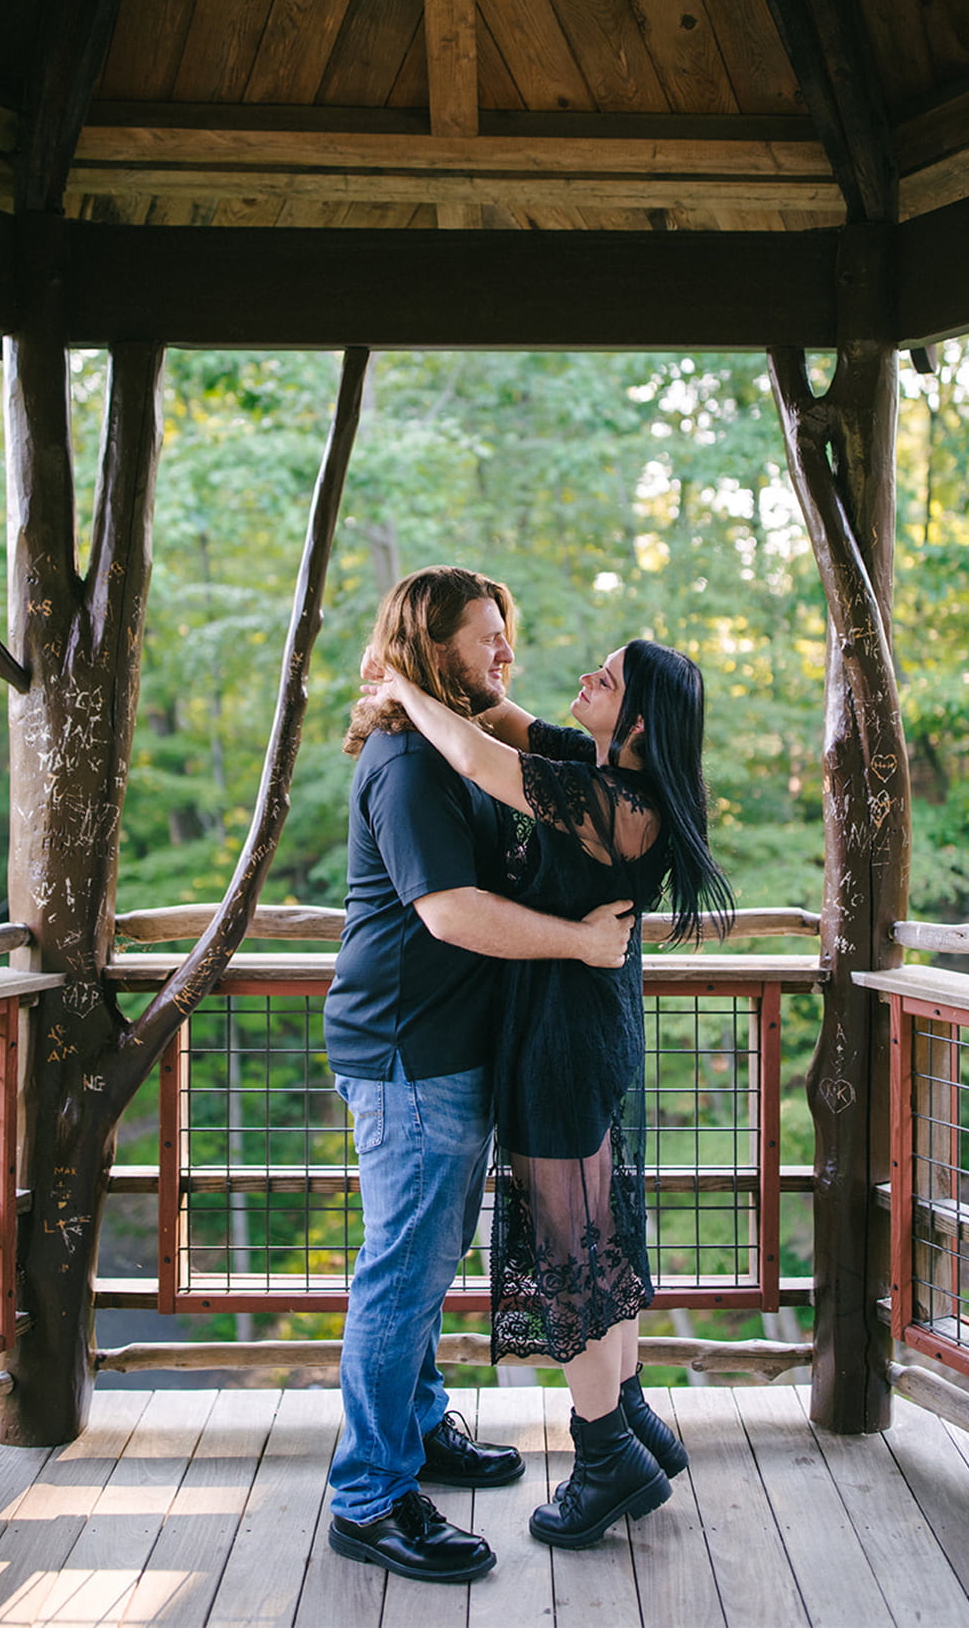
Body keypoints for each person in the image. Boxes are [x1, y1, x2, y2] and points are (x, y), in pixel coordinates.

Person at [379, 637, 733, 1549]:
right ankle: (632, 1410)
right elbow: (500, 720)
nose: (584, 680)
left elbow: (472, 754)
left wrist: (398, 684)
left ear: (641, 721)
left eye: (604, 679)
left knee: (567, 1247)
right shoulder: (592, 765)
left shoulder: (614, 804)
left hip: (563, 1037)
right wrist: (461, 676)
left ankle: (604, 1451)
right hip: (586, 1022)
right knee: (596, 1229)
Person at [322, 567, 636, 1585]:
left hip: (449, 1052)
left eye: (505, 630)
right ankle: (370, 1493)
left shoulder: (460, 744)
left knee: (424, 1260)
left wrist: (426, 684)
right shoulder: (408, 764)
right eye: (483, 635)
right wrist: (579, 946)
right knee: (402, 1272)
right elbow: (449, 911)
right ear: (431, 643)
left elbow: (510, 730)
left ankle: (416, 1426)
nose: (505, 648)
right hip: (406, 1051)